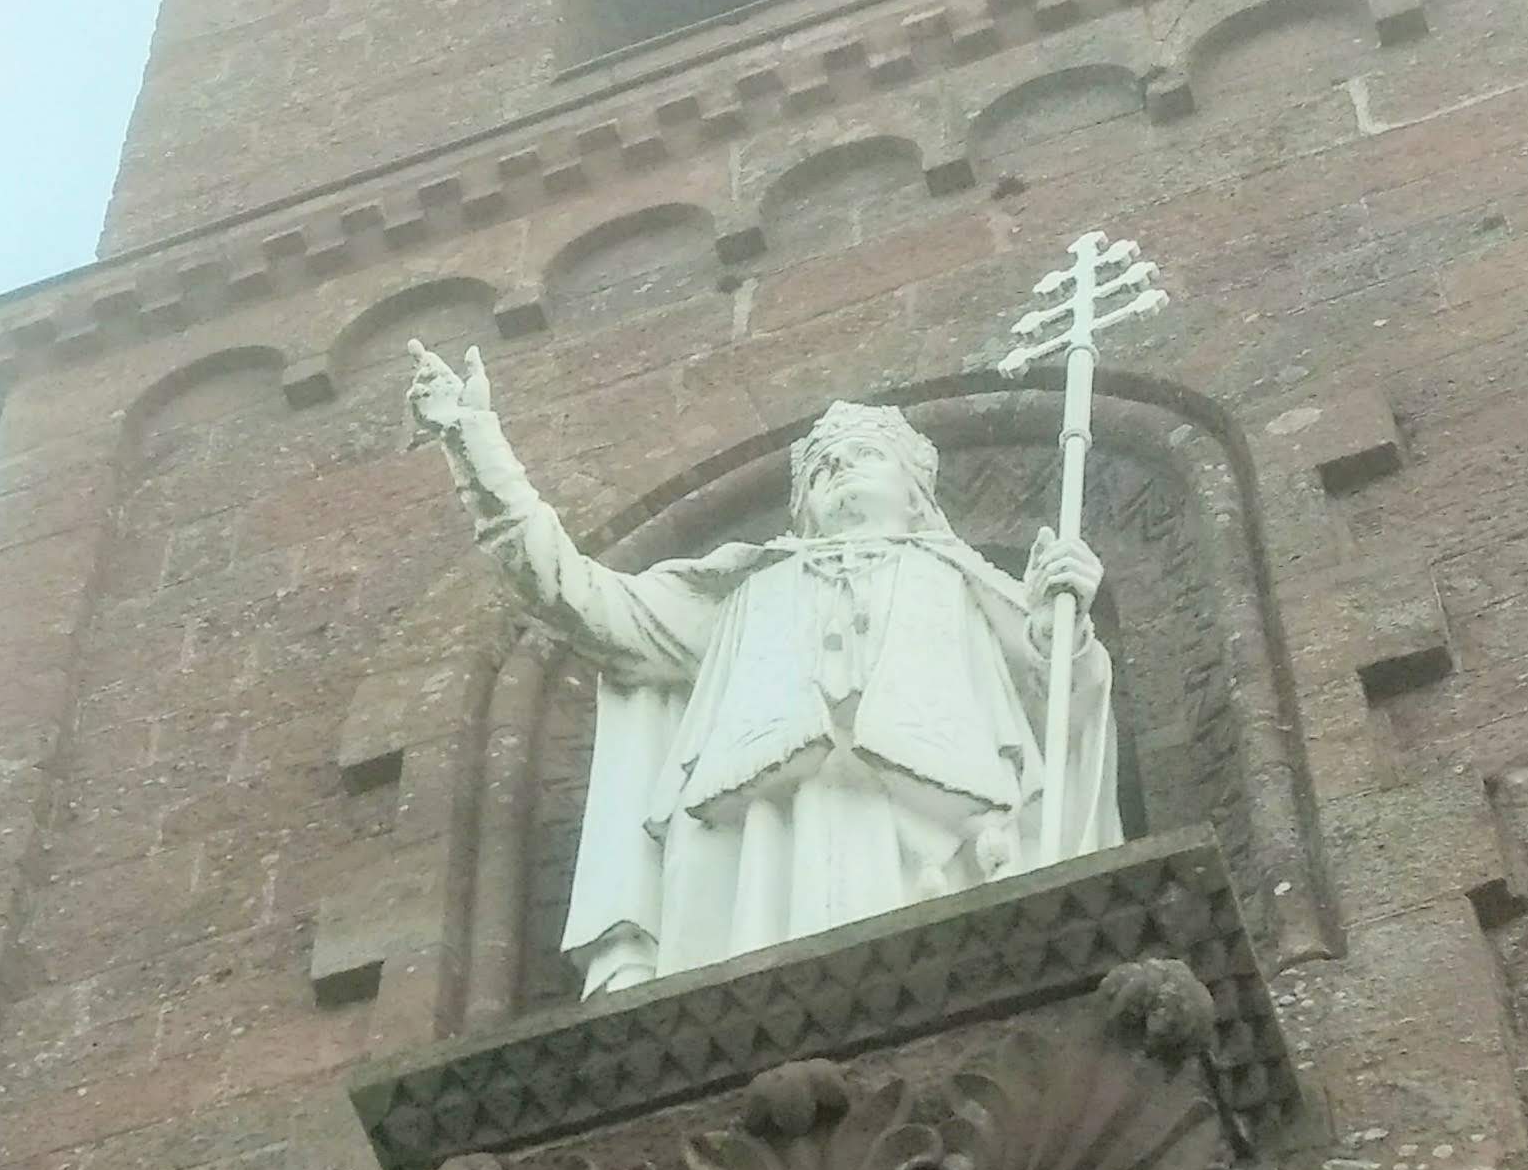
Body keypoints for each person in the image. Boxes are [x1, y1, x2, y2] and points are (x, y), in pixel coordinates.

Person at [408, 345, 1119, 997]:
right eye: (822, 468)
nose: (839, 470)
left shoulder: (962, 578)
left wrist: (1060, 624)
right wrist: (476, 448)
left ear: (915, 494)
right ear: (803, 507)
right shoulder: (739, 592)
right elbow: (580, 598)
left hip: (932, 830)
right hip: (761, 838)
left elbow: (1064, 706)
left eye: (865, 456)